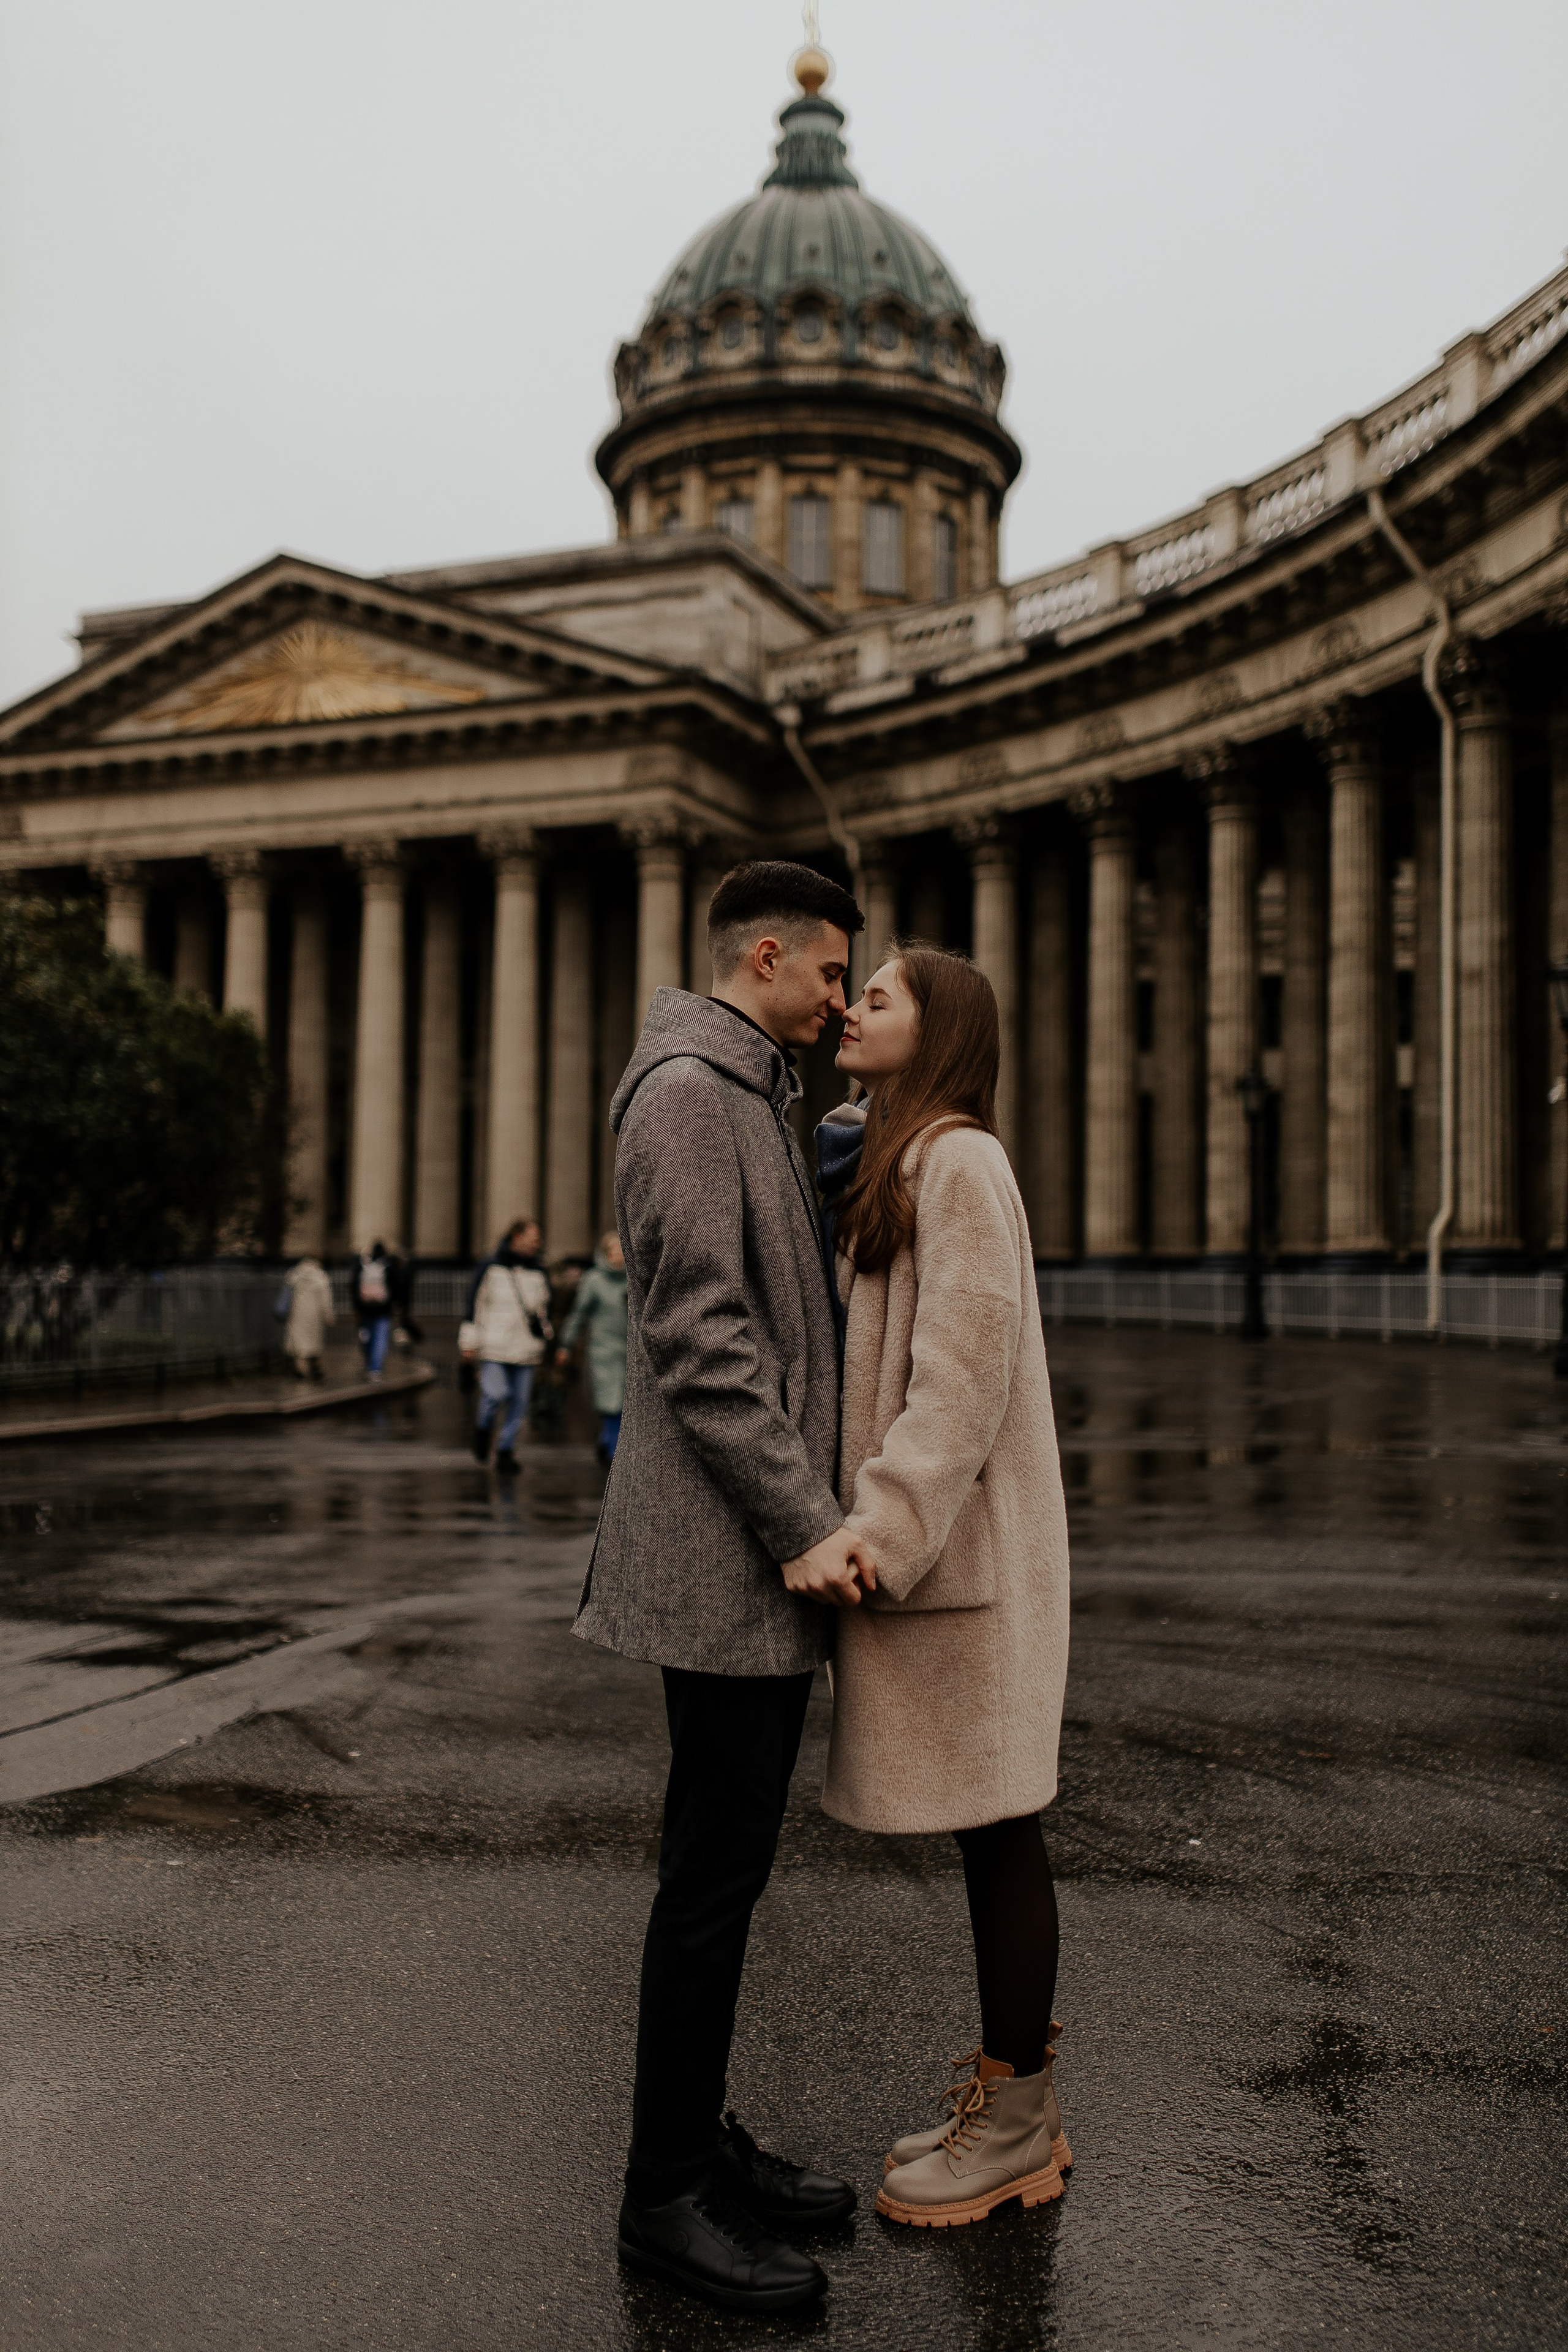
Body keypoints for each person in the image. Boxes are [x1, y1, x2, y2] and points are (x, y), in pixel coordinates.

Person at [575, 859, 870, 2316]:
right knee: (708, 1880)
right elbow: (696, 1334)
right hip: (725, 1556)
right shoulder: (692, 1090)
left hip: (740, 1557)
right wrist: (804, 1521)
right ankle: (661, 2197)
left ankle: (696, 2140)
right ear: (767, 955)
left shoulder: (743, 1086)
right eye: (829, 976)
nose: (837, 1001)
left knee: (723, 1871)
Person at [818, 943, 1072, 2230]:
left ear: (939, 1031)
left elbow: (957, 1380)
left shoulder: (960, 1162)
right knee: (989, 1832)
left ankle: (1018, 2126)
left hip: (958, 1561)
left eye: (878, 997)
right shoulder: (907, 1158)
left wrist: (882, 1530)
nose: (849, 1008)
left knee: (999, 1827)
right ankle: (1006, 2097)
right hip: (949, 1563)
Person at [461, 1218, 550, 1475]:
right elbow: (474, 1307)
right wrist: (468, 1344)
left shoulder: (539, 1271)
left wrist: (544, 1335)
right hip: (494, 1346)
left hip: (526, 1347)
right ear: (516, 1237)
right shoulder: (490, 1268)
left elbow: (543, 1309)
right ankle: (483, 1429)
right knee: (495, 1394)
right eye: (534, 1237)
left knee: (520, 1404)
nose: (538, 1243)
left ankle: (505, 1451)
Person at [556, 1230, 628, 1463]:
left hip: (630, 1353)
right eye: (612, 1251)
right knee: (611, 1403)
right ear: (605, 1254)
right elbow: (579, 1315)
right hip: (603, 1352)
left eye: (621, 1251)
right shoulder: (594, 1280)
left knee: (625, 1403)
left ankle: (607, 1442)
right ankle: (613, 1453)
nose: (618, 1256)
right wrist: (566, 1345)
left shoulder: (634, 1279)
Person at [352, 1240, 406, 1381]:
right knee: (380, 1339)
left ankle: (370, 1361)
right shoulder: (389, 1267)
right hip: (383, 1310)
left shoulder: (364, 1266)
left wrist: (358, 1306)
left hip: (366, 1310)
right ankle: (375, 1369)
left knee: (367, 1337)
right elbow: (398, 1286)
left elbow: (354, 1286)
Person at [282, 1255, 334, 1380]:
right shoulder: (321, 1277)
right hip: (314, 1315)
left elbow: (286, 1295)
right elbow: (326, 1299)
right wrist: (328, 1315)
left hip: (297, 1312)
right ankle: (316, 1367)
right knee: (314, 1342)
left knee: (299, 1343)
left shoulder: (294, 1275)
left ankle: (300, 1368)